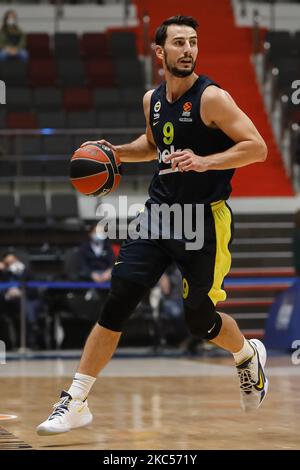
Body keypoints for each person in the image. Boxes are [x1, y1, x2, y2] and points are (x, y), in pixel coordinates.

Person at [37, 15, 269, 436]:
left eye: (193, 42)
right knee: (119, 300)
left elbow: (257, 147)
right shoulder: (153, 100)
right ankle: (76, 400)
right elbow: (153, 143)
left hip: (203, 219)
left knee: (200, 321)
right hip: (159, 213)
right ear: (160, 52)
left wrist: (204, 161)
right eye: (179, 43)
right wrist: (116, 153)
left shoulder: (212, 98)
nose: (188, 50)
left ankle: (247, 355)